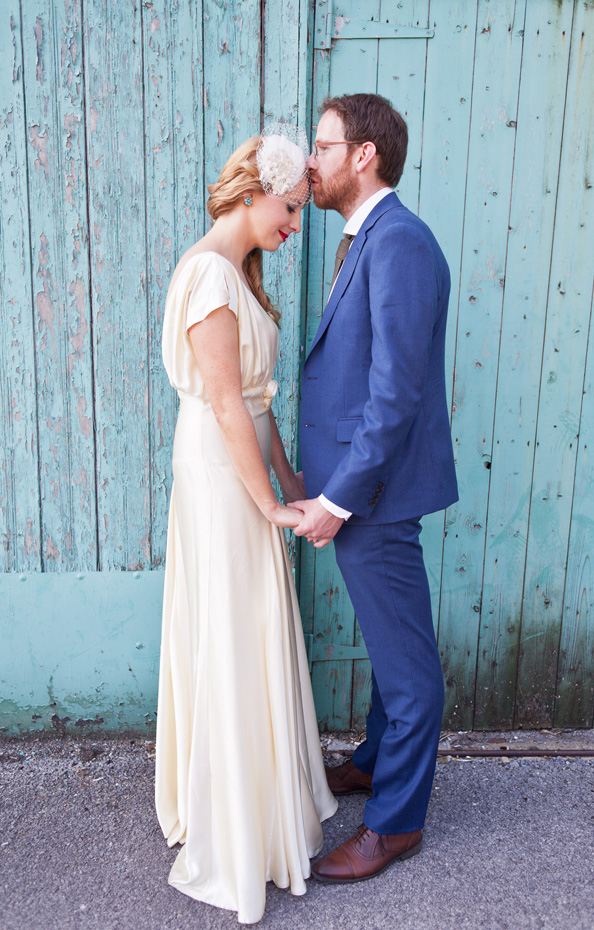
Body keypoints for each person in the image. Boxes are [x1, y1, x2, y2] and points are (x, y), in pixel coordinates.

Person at [155, 125, 337, 924]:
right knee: (231, 628)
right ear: (256, 190)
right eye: (292, 208)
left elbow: (258, 404)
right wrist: (264, 502)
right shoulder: (207, 277)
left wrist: (293, 484)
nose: (296, 225)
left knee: (252, 623)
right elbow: (226, 402)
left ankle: (258, 802)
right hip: (217, 473)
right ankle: (230, 825)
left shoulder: (240, 274)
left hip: (245, 466)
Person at [289, 94, 458, 883]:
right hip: (365, 491)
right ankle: (373, 761)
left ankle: (395, 824)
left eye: (321, 146)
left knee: (408, 668)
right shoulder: (368, 240)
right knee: (394, 646)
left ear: (364, 155)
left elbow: (394, 395)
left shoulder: (400, 244)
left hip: (374, 495)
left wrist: (336, 498)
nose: (309, 163)